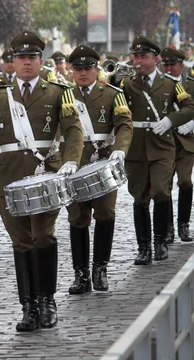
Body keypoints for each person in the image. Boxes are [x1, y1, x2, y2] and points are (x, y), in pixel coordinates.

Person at [0, 30, 83, 331]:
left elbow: (73, 129)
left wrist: (71, 159)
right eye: (21, 57)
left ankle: (47, 300)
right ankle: (28, 306)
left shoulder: (59, 90)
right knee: (20, 241)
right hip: (8, 175)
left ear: (41, 60)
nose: (27, 62)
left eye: (32, 57)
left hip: (46, 172)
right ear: (13, 61)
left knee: (43, 235)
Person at [63, 45, 133, 294]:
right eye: (78, 69)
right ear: (72, 70)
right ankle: (80, 274)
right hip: (74, 163)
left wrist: (120, 149)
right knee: (77, 218)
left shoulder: (112, 94)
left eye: (88, 68)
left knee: (105, 214)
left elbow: (125, 125)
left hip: (104, 161)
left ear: (97, 69)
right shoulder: (64, 95)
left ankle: (100, 268)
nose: (83, 73)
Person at [122, 36, 194, 265]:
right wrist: (115, 80)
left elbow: (190, 106)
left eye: (143, 56)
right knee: (140, 197)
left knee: (161, 192)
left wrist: (171, 120)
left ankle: (160, 240)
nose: (139, 61)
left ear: (156, 59)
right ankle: (143, 247)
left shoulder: (171, 83)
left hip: (162, 146)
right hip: (136, 148)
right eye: (136, 57)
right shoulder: (127, 83)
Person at [159, 47, 194, 243]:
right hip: (163, 141)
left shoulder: (191, 85)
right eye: (165, 65)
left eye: (172, 65)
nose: (169, 68)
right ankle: (169, 227)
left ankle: (183, 224)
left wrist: (191, 123)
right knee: (163, 186)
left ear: (182, 66)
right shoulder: (158, 86)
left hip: (186, 142)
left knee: (185, 181)